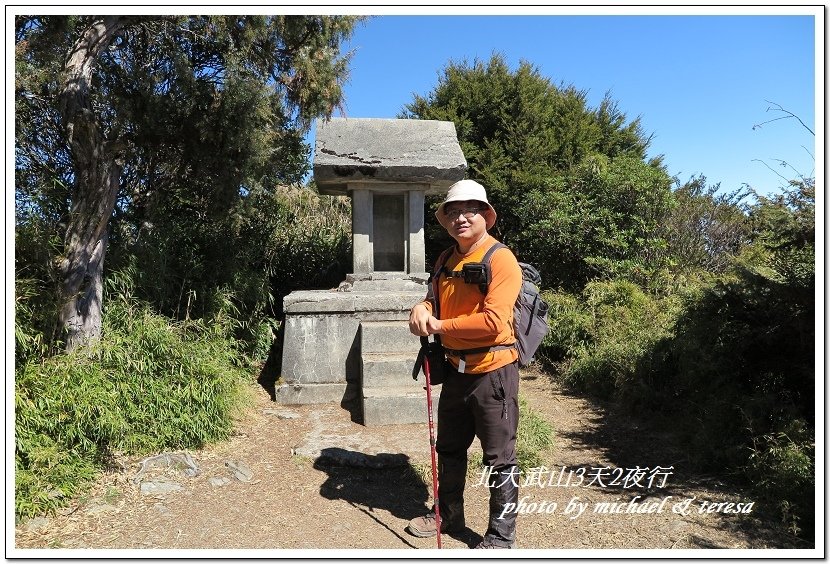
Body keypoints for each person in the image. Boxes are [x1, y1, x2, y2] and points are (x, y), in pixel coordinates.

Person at [406, 179, 523, 549]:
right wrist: (421, 308)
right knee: (449, 448)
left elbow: (494, 322)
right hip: (455, 370)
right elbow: (432, 298)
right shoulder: (445, 259)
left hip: (494, 373)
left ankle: (501, 538)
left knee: (500, 460)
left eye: (470, 209)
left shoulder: (500, 259)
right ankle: (449, 514)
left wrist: (439, 325)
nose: (461, 217)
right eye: (453, 211)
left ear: (485, 215)